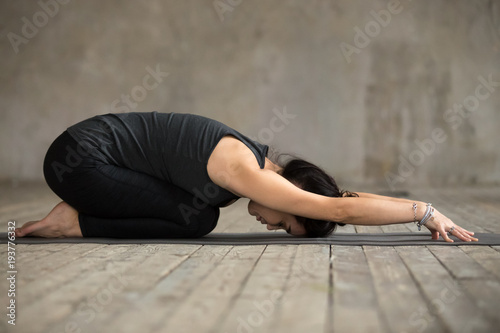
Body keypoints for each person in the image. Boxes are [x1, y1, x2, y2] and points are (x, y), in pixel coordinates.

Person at [15, 112, 477, 242]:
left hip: (82, 150)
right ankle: (76, 221)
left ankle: (80, 212)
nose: (272, 225)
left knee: (200, 212)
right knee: (196, 220)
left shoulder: (250, 163)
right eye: (287, 221)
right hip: (80, 159)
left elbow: (337, 197)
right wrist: (424, 212)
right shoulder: (242, 168)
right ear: (293, 193)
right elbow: (338, 207)